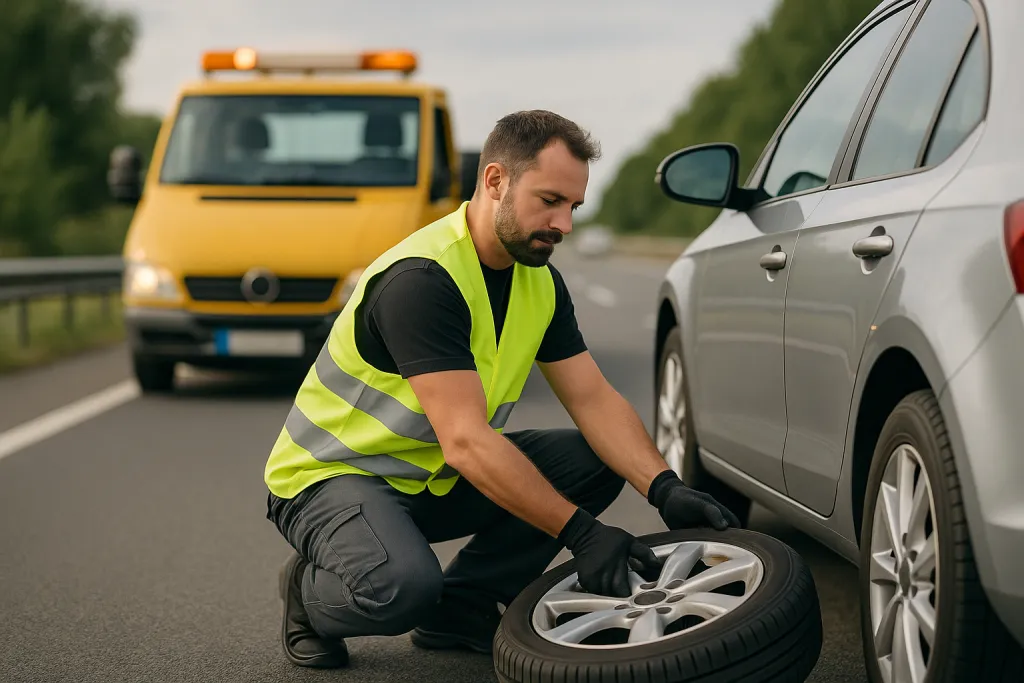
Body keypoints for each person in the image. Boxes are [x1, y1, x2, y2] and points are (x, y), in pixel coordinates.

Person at [262, 109, 740, 669]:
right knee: (403, 588)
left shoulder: (537, 279)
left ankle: (461, 605)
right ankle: (308, 596)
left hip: (434, 477)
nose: (564, 224)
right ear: (495, 181)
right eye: (549, 201)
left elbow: (593, 399)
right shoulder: (422, 280)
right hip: (335, 478)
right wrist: (581, 533)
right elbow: (466, 439)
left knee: (592, 460)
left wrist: (662, 487)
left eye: (573, 207)